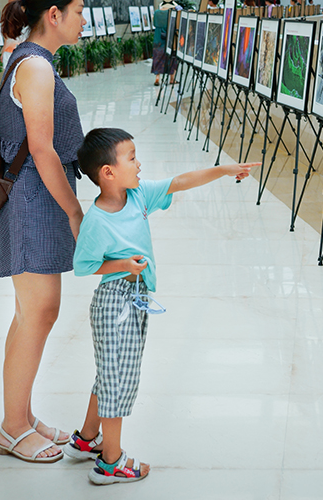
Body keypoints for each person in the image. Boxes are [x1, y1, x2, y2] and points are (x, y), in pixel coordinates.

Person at [68, 127, 258, 484]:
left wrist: (222, 170)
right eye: (132, 158)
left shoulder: (138, 195)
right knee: (116, 381)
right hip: (114, 304)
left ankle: (86, 439)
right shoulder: (97, 220)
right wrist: (122, 265)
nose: (139, 164)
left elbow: (179, 182)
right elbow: (84, 266)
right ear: (108, 172)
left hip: (135, 299)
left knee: (111, 374)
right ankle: (110, 462)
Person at [0, 0, 87, 464]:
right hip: (33, 197)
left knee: (31, 312)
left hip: (30, 196)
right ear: (54, 15)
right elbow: (43, 150)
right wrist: (74, 209)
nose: (83, 20)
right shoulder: (36, 67)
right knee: (40, 310)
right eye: (78, 11)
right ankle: (12, 428)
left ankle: (22, 416)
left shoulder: (32, 60)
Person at [151, 0, 178, 86]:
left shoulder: (156, 12)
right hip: (170, 38)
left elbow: (155, 24)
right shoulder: (172, 13)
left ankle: (157, 78)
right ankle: (172, 79)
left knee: (158, 57)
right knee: (172, 57)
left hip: (158, 37)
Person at [2, 0, 28, 70]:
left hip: (18, 51)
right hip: (12, 51)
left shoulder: (25, 13)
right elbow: (7, 35)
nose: (9, 0)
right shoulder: (11, 13)